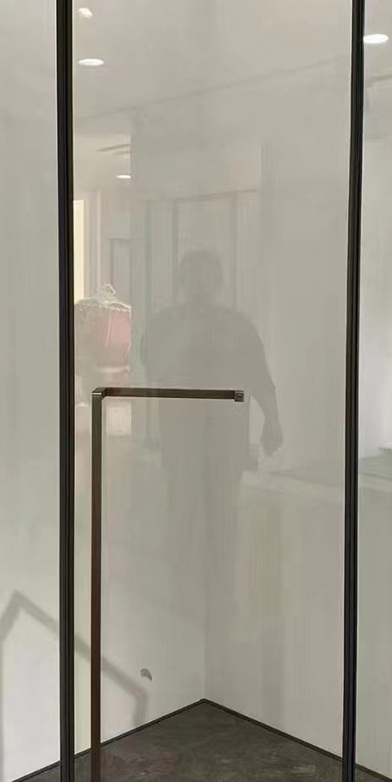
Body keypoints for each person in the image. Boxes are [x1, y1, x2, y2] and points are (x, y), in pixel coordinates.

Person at [142, 249, 282, 608]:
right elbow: (155, 366)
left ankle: (221, 589)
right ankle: (182, 589)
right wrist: (189, 329)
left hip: (225, 440)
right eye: (194, 280)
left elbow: (259, 376)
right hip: (183, 440)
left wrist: (273, 420)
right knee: (183, 514)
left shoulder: (237, 327)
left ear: (217, 283)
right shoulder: (165, 325)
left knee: (222, 515)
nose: (200, 289)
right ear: (182, 284)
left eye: (206, 280)